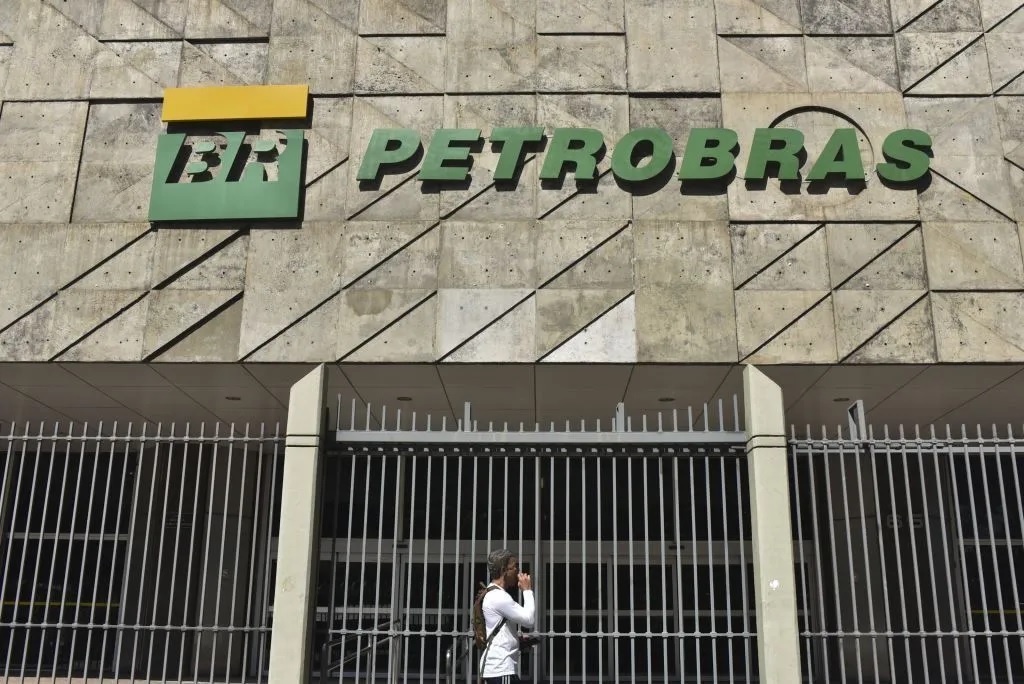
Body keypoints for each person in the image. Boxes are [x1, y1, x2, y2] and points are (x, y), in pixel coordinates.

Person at [477, 548, 536, 683]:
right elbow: (529, 620)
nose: (518, 571)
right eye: (515, 567)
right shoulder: (499, 597)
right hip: (501, 668)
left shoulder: (492, 593)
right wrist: (527, 590)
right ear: (504, 570)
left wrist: (515, 640)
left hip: (498, 669)